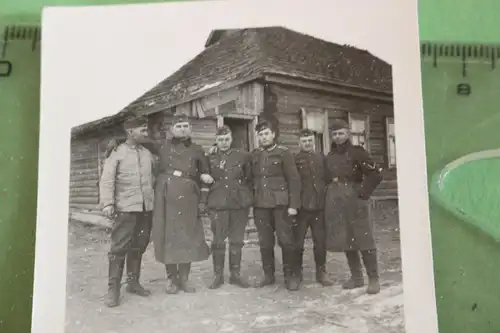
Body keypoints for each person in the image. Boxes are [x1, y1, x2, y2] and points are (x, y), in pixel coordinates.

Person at [151, 113, 213, 294]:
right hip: (166, 198)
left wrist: (202, 201)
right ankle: (172, 279)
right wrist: (118, 142)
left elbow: (205, 176)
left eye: (185, 126)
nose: (182, 129)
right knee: (168, 237)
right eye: (178, 126)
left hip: (188, 198)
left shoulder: (197, 150)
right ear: (172, 130)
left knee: (187, 237)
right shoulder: (162, 147)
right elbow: (140, 141)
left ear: (190, 128)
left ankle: (184, 279)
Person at [99, 116, 156, 308]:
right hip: (125, 208)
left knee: (139, 245)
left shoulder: (147, 153)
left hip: (146, 208)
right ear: (130, 132)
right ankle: (113, 289)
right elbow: (107, 180)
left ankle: (133, 283)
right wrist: (108, 203)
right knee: (118, 249)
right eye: (142, 129)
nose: (145, 132)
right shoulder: (117, 153)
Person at [323, 119, 383, 294]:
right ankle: (357, 277)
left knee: (364, 238)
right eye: (334, 134)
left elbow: (375, 175)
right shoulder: (330, 157)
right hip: (338, 201)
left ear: (348, 133)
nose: (338, 137)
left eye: (341, 133)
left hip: (356, 200)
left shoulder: (358, 153)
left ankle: (373, 279)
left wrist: (363, 193)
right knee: (346, 238)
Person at [251, 120, 302, 291]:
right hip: (261, 204)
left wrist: (293, 204)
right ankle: (268, 275)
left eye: (266, 133)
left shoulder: (284, 153)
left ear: (273, 135)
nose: (264, 137)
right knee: (265, 242)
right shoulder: (255, 154)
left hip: (281, 205)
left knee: (286, 241)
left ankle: (291, 276)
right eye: (260, 134)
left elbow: (294, 180)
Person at [205, 125, 253, 289]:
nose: (224, 143)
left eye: (226, 139)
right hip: (218, 204)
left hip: (238, 204)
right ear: (216, 141)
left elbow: (248, 177)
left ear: (231, 139)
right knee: (218, 240)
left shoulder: (243, 156)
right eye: (220, 140)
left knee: (237, 240)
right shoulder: (209, 157)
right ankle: (218, 276)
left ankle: (235, 275)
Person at [293, 129, 334, 287]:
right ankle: (297, 274)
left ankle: (321, 272)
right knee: (298, 243)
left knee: (320, 242)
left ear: (313, 141)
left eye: (310, 140)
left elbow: (328, 179)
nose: (307, 143)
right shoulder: (295, 159)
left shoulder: (322, 158)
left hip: (319, 207)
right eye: (304, 141)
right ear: (299, 143)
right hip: (302, 208)